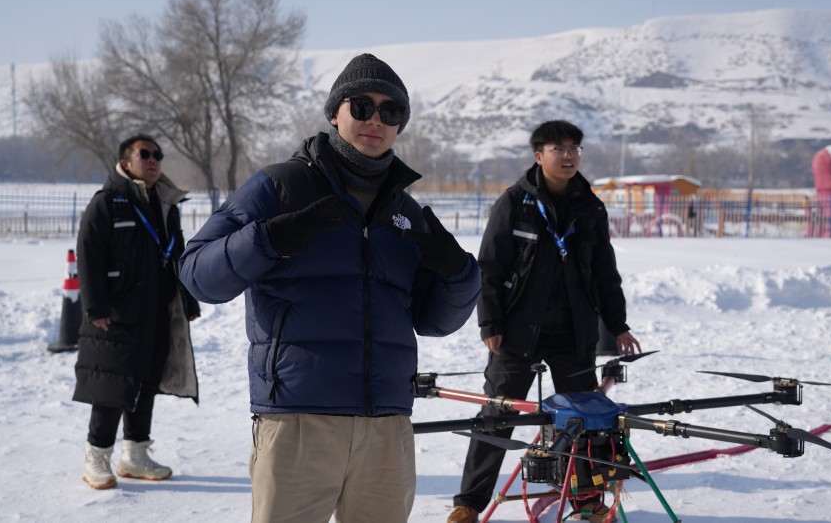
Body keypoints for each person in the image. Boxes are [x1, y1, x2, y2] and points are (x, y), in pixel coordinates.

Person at [178, 53, 481, 523]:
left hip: (386, 425)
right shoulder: (279, 186)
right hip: (299, 419)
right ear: (334, 112)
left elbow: (434, 321)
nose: (375, 120)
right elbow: (197, 273)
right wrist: (267, 239)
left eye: (390, 111)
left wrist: (460, 275)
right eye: (361, 106)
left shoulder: (405, 210)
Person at [448, 120, 642, 523]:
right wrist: (490, 323)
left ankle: (586, 498)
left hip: (574, 334)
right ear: (539, 156)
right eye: (559, 148)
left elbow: (605, 273)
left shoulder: (591, 207)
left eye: (574, 149)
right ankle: (468, 503)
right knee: (498, 415)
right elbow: (490, 268)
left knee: (584, 421)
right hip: (517, 333)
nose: (568, 156)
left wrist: (618, 325)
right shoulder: (515, 202)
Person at [73, 134, 201, 490]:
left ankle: (135, 455)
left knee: (146, 385)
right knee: (112, 387)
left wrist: (188, 301)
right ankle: (96, 457)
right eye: (145, 154)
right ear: (126, 162)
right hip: (116, 314)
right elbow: (88, 255)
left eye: (158, 154)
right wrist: (95, 305)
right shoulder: (108, 203)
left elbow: (178, 256)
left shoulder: (165, 203)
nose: (154, 160)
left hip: (157, 312)